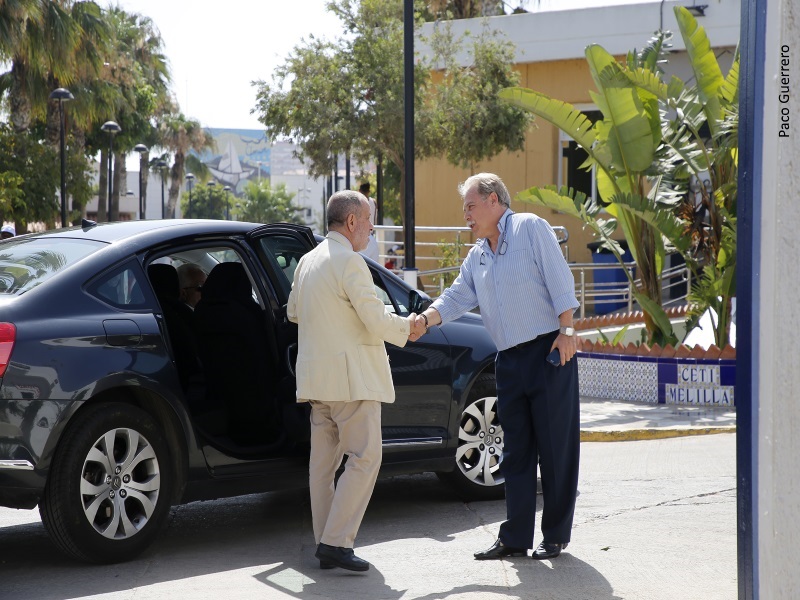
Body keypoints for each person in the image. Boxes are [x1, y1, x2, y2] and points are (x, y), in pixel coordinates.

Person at [414, 173, 580, 561]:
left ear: (493, 200)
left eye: (470, 207)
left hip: (548, 351)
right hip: (507, 359)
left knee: (556, 450)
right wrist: (425, 320)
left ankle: (555, 535)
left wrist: (567, 329)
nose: (466, 217)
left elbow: (560, 279)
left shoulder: (530, 228)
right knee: (515, 452)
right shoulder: (478, 255)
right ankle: (515, 538)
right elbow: (458, 295)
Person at [286, 190, 426, 572]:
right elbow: (376, 320)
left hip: (316, 381)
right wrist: (409, 326)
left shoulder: (307, 261)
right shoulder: (350, 262)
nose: (372, 229)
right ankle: (335, 542)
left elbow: (294, 312)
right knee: (365, 457)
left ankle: (325, 541)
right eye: (370, 221)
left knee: (322, 468)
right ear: (351, 222)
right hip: (351, 382)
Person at [358, 182, 380, 262]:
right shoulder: (373, 202)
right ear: (369, 191)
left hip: (361, 234)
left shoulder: (358, 203)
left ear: (359, 191)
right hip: (371, 233)